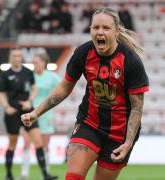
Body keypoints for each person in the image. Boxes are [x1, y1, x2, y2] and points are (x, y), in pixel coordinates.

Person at [21, 7, 149, 180]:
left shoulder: (131, 61)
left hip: (119, 134)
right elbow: (64, 87)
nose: (100, 32)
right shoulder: (83, 53)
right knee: (73, 176)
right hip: (89, 124)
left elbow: (136, 108)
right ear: (90, 30)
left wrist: (128, 143)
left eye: (106, 28)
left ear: (117, 31)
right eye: (95, 28)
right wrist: (36, 112)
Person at [0, 47, 58, 180]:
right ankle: (9, 174)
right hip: (12, 112)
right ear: (10, 57)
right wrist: (6, 106)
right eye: (15, 56)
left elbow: (34, 88)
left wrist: (29, 100)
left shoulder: (27, 72)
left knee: (38, 142)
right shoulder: (5, 74)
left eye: (19, 56)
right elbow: (1, 93)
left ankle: (45, 174)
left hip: (27, 112)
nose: (17, 58)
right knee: (12, 143)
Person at [20, 51, 61, 178]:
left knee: (45, 145)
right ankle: (24, 174)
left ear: (44, 63)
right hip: (29, 113)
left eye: (36, 62)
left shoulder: (53, 77)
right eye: (33, 63)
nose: (34, 65)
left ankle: (46, 173)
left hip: (46, 115)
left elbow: (61, 91)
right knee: (26, 143)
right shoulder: (28, 76)